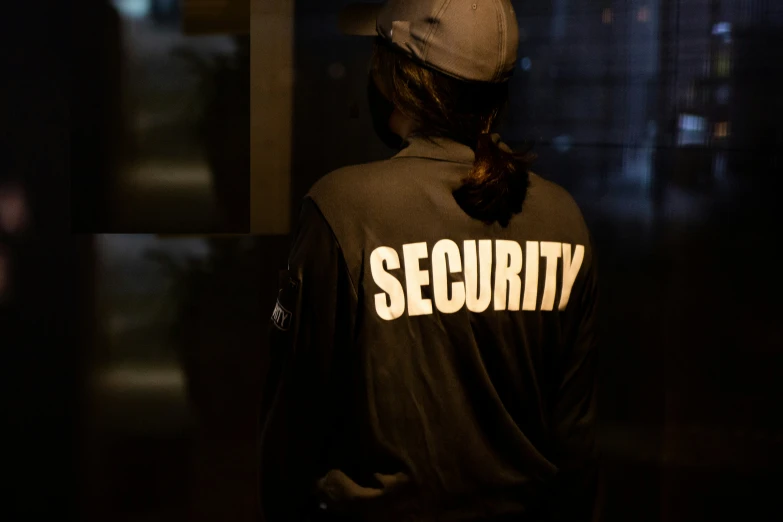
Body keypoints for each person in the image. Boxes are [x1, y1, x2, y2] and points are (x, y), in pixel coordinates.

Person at [259, 1, 601, 521]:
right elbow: (575, 445)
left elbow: (293, 431)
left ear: (398, 78)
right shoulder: (562, 219)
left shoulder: (345, 209)